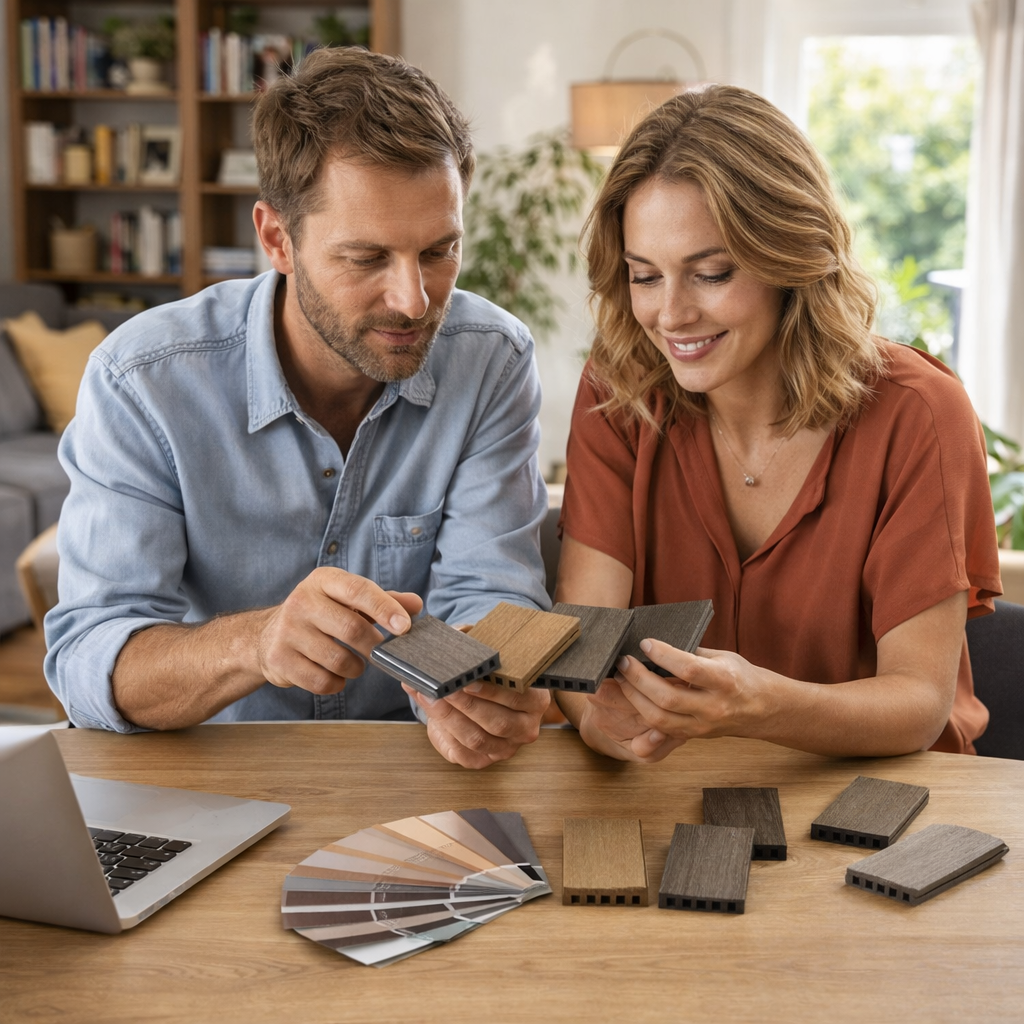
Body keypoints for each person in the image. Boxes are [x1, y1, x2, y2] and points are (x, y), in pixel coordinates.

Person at [45, 48, 552, 768]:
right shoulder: (143, 381)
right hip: (211, 770)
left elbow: (491, 591)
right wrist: (255, 643)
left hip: (412, 768)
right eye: (366, 258)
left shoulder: (491, 359)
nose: (414, 301)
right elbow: (88, 661)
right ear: (277, 239)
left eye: (440, 251)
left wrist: (482, 687)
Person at [555, 84, 1001, 761]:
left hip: (889, 793)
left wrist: (761, 707)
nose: (671, 316)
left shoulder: (919, 414)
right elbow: (586, 646)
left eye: (710, 274)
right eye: (644, 276)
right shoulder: (618, 390)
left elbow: (918, 702)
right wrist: (606, 726)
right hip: (679, 788)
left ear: (788, 256)